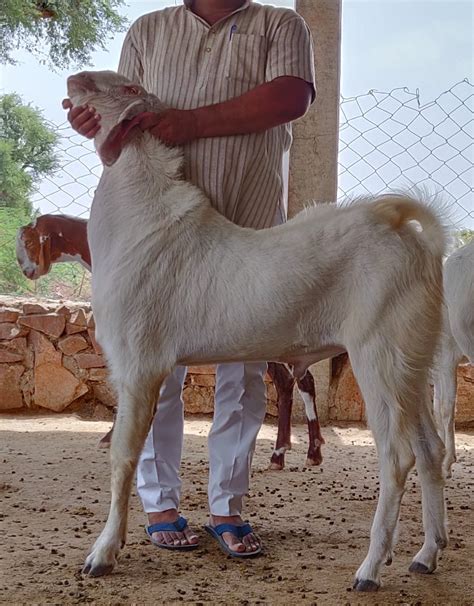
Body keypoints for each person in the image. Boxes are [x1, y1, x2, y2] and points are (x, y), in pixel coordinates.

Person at [63, 0, 315, 557]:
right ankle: (159, 503)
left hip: (245, 218)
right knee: (155, 369)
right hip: (158, 227)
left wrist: (194, 122)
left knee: (243, 368)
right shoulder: (148, 31)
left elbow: (291, 97)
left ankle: (227, 505)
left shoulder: (280, 24)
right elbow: (122, 136)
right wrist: (94, 126)